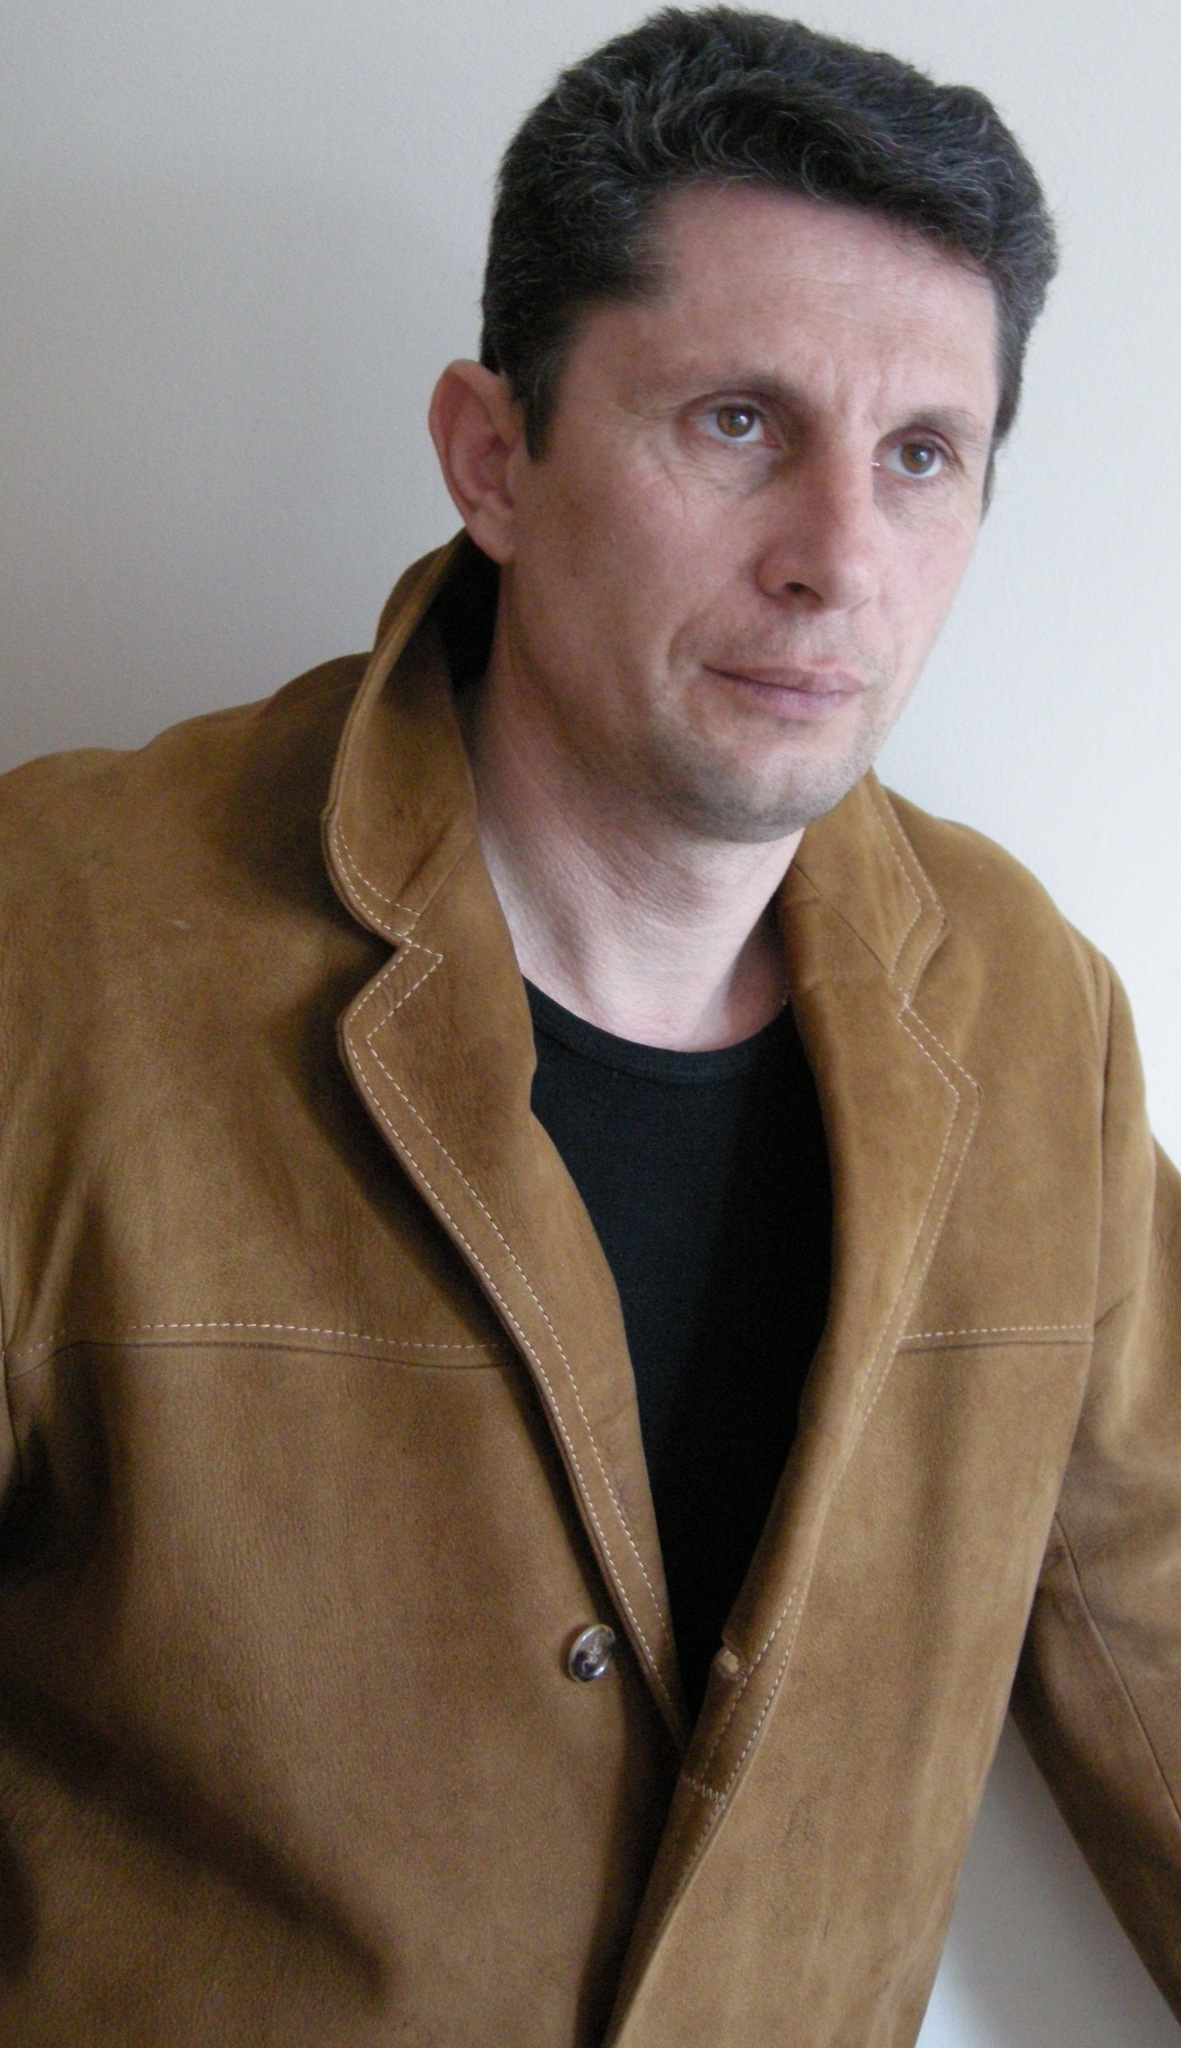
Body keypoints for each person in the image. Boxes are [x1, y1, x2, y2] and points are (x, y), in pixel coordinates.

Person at [0, 7, 1177, 2044]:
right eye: (735, 422)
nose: (838, 560)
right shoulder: (60, 939)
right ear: (493, 457)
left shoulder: (1023, 1009)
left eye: (922, 456)